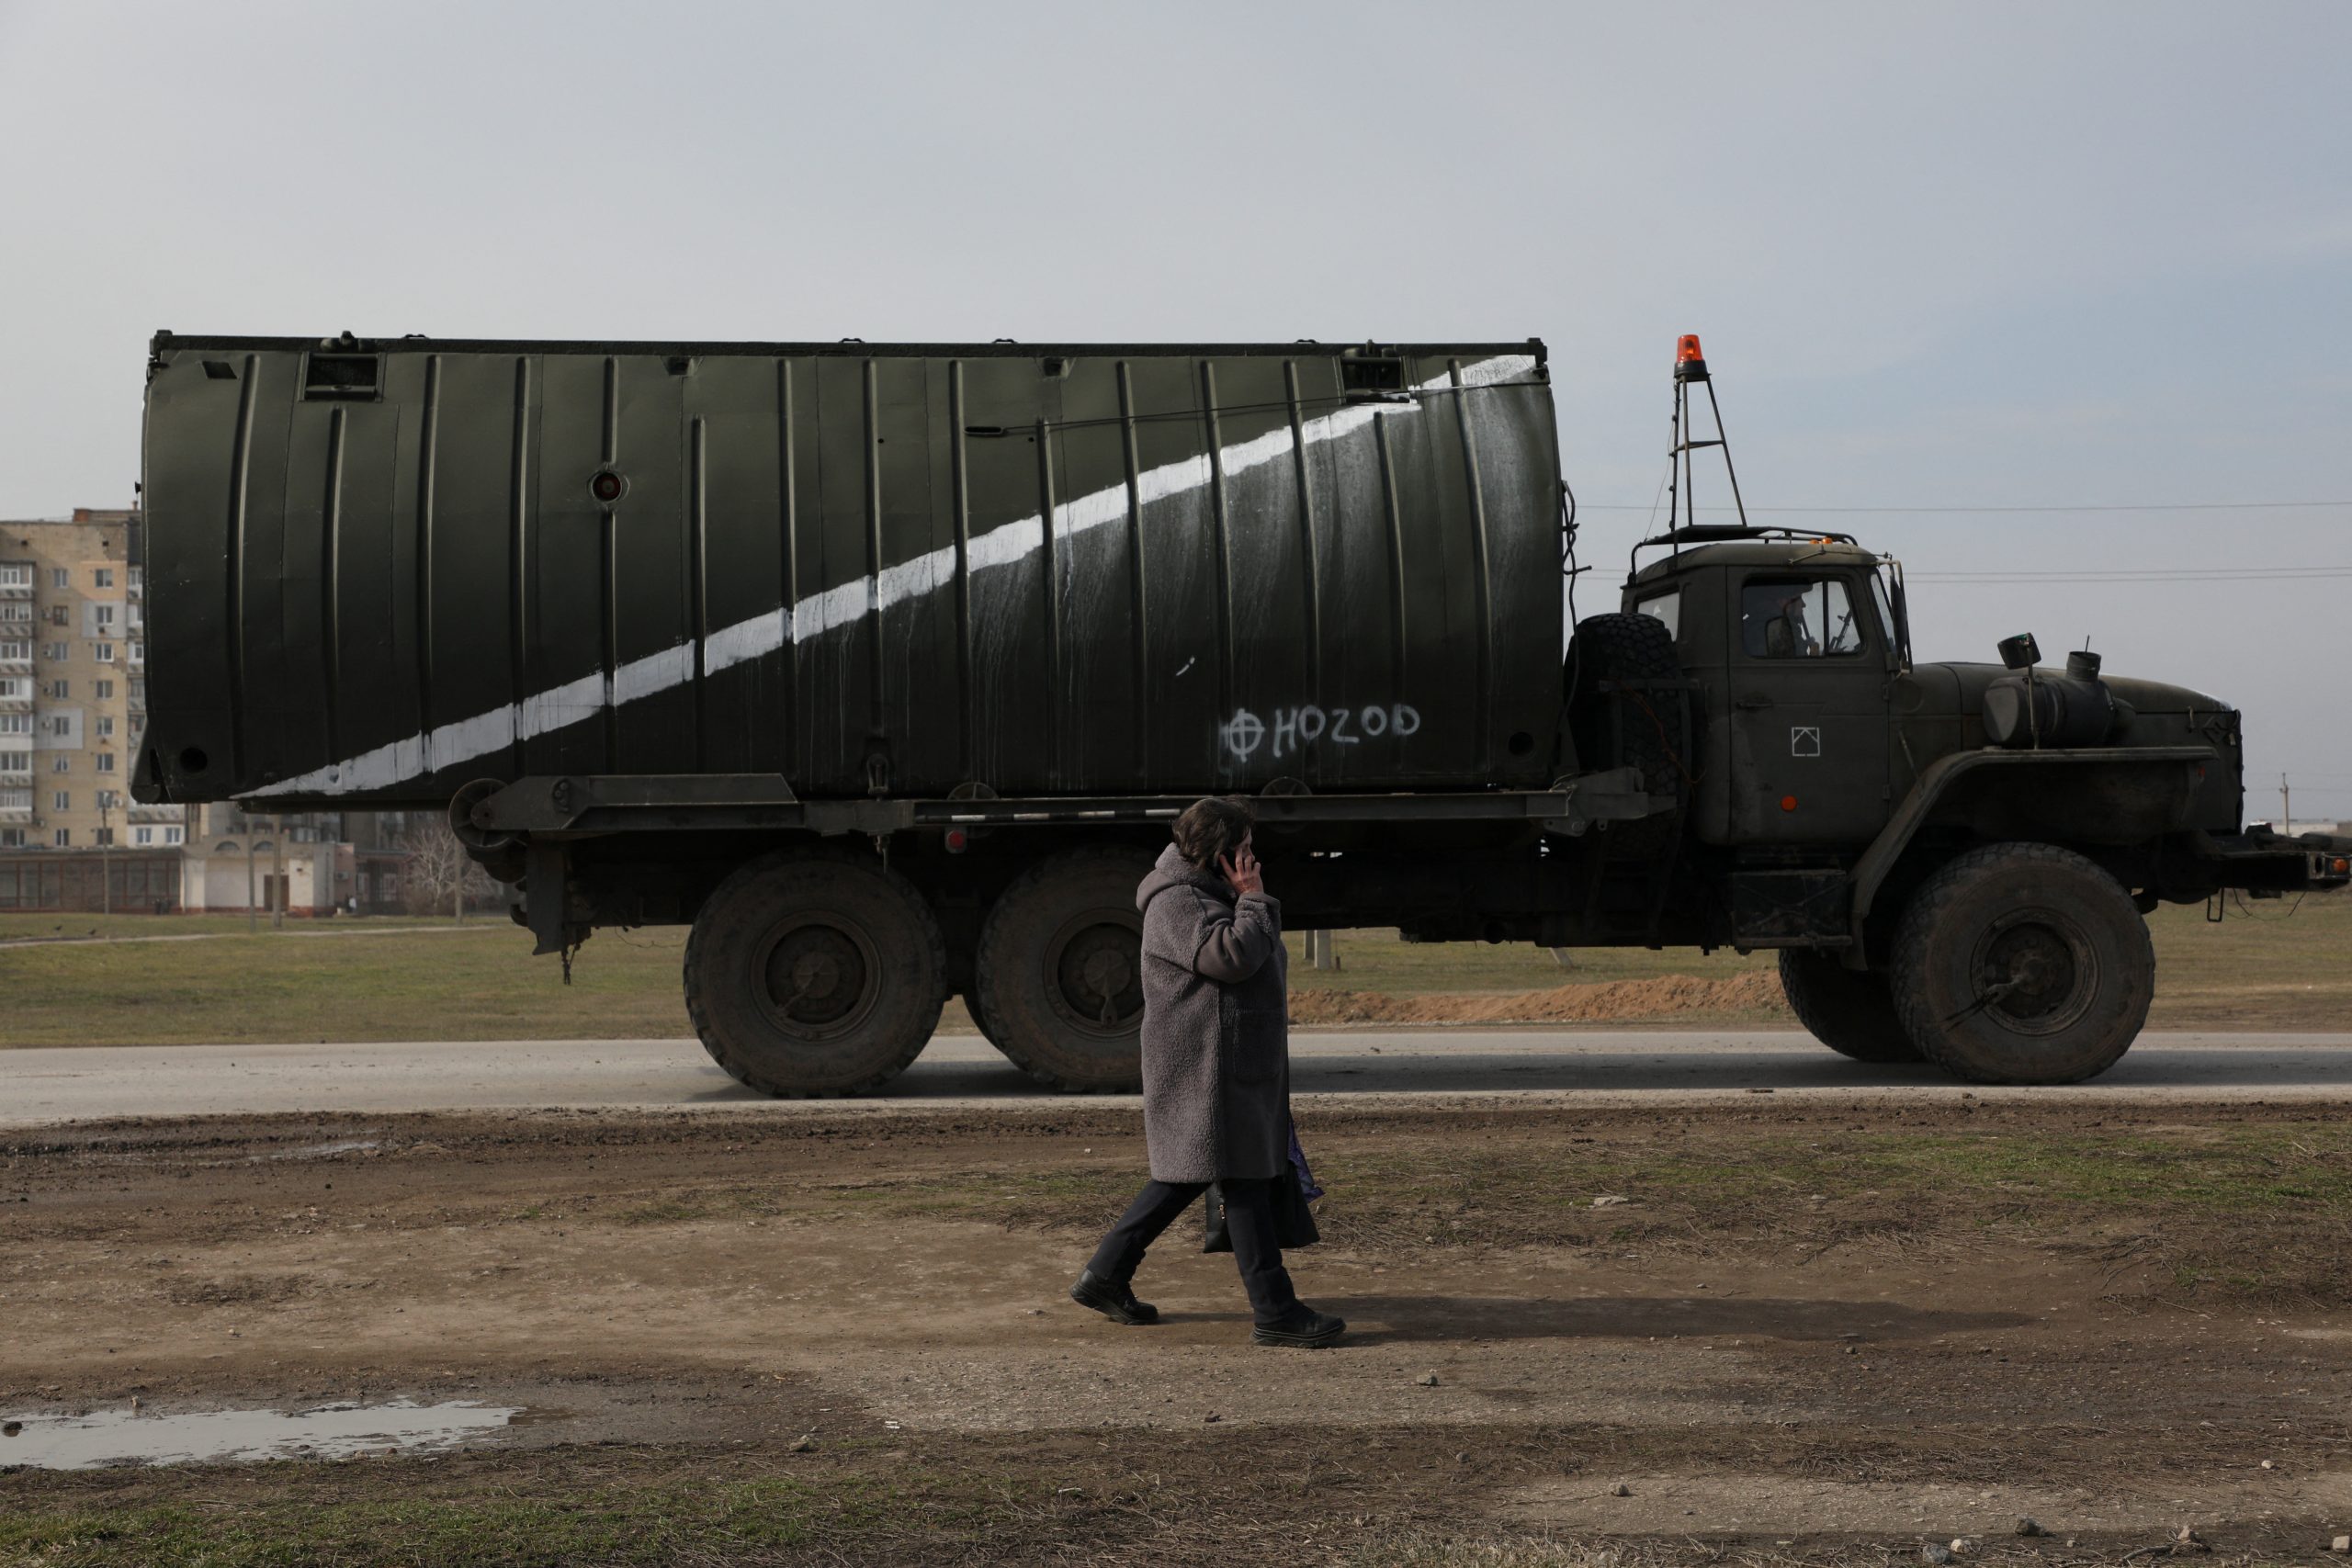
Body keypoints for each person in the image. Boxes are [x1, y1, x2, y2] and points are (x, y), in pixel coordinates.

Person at [1069, 796, 1346, 1348]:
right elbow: (1232, 958)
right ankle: (1276, 1311)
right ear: (1218, 852)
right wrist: (1253, 900)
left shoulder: (1207, 894)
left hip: (1226, 1063)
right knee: (1240, 1180)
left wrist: (1247, 902)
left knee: (1186, 1177)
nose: (1251, 858)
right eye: (1243, 847)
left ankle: (1105, 1276)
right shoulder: (1178, 903)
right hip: (1206, 1069)